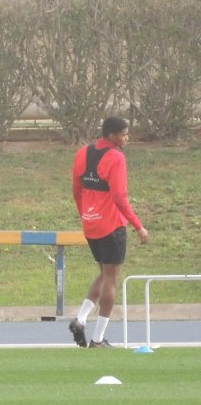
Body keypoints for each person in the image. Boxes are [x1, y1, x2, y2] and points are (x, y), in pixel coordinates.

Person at [68, 116, 149, 348]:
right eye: (124, 134)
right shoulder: (116, 157)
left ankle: (81, 319)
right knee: (111, 279)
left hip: (91, 224)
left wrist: (86, 214)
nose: (127, 138)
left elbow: (76, 190)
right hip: (112, 225)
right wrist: (138, 225)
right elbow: (119, 197)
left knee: (103, 274)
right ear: (112, 135)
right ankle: (97, 338)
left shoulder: (83, 152)